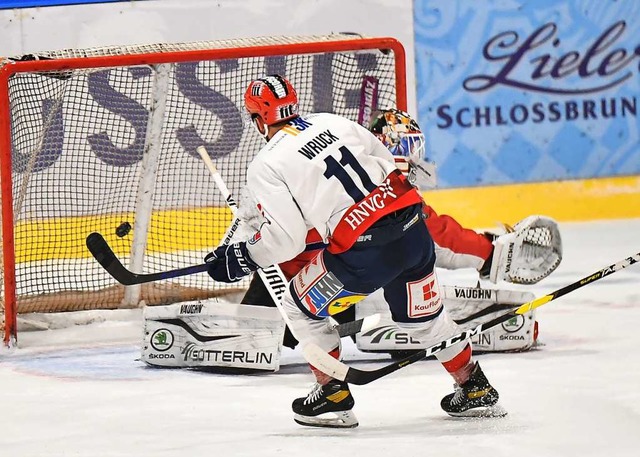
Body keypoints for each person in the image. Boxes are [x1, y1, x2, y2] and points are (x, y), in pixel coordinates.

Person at [205, 74, 505, 428]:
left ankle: (331, 393)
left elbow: (287, 240)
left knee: (297, 307)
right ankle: (473, 386)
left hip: (363, 256)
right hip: (413, 232)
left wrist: (242, 257)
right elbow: (388, 163)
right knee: (427, 320)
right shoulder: (331, 120)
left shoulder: (266, 165)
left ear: (257, 119)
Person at [240, 108, 563, 353]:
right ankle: (334, 388)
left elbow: (268, 234)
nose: (410, 156)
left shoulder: (305, 172)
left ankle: (327, 387)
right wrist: (490, 253)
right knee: (414, 296)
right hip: (329, 290)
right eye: (403, 146)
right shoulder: (378, 186)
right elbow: (435, 236)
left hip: (288, 284)